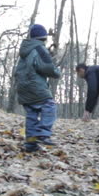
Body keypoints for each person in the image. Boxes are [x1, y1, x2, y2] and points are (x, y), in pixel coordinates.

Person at [15, 24, 61, 152]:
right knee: (49, 105)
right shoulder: (39, 48)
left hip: (22, 87)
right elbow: (47, 67)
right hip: (35, 85)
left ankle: (30, 145)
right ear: (43, 37)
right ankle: (43, 133)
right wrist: (57, 72)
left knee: (32, 113)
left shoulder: (25, 49)